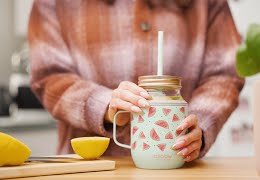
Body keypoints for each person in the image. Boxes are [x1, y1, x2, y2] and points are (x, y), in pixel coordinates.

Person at [28, 0, 244, 162]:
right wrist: (104, 105)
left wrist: (198, 127)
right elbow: (49, 76)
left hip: (179, 170)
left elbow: (225, 74)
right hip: (87, 169)